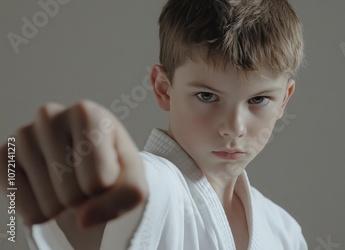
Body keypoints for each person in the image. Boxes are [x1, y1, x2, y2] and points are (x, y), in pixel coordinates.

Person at [0, 0, 306, 249]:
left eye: (259, 100)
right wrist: (106, 175)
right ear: (163, 88)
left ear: (284, 100)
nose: (234, 128)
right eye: (206, 95)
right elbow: (143, 192)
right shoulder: (158, 185)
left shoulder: (284, 232)